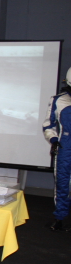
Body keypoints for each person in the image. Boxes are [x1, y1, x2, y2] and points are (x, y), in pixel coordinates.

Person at [43, 69, 71, 232]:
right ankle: (60, 218)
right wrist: (53, 139)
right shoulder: (58, 100)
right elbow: (48, 123)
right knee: (62, 183)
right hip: (65, 147)